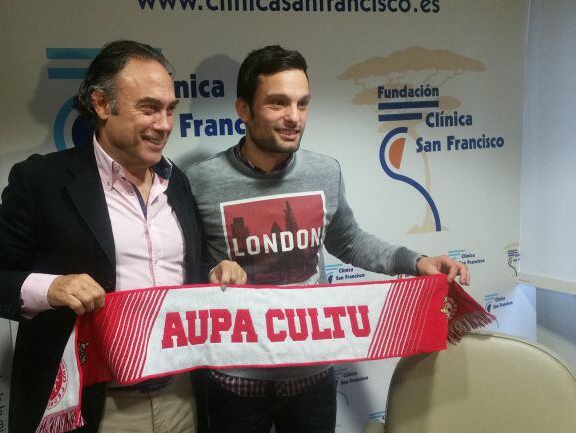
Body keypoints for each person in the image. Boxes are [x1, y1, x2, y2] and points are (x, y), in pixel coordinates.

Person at [0, 40, 245, 433]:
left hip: (181, 396)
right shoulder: (43, 181)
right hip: (96, 407)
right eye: (148, 108)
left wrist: (214, 272)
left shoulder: (176, 181)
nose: (163, 124)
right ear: (100, 103)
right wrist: (52, 288)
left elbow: (176, 271)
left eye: (169, 110)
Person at [184, 45, 469, 433]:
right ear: (244, 110)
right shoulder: (199, 181)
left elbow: (349, 241)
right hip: (235, 380)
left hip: (312, 375)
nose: (294, 118)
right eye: (278, 103)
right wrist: (211, 271)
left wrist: (418, 262)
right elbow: (181, 270)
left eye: (303, 104)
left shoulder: (325, 171)